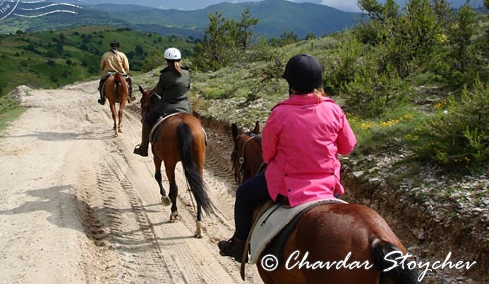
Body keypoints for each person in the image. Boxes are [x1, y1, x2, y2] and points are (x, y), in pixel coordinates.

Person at [218, 53, 357, 262]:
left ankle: (239, 244)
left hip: (287, 184)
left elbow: (267, 153)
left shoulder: (280, 113)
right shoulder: (334, 109)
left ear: (291, 84)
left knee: (244, 194)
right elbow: (348, 146)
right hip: (327, 185)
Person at [133, 47, 191, 157]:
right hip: (185, 106)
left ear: (167, 60)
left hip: (167, 106)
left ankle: (143, 148)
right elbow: (187, 87)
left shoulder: (165, 75)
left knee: (147, 120)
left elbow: (159, 92)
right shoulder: (186, 73)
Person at [98, 41, 134, 105]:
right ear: (118, 47)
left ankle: (102, 98)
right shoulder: (122, 55)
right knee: (129, 81)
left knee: (102, 83)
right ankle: (130, 96)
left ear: (111, 46)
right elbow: (127, 67)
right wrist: (125, 72)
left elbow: (101, 66)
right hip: (121, 73)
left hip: (109, 73)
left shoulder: (105, 55)